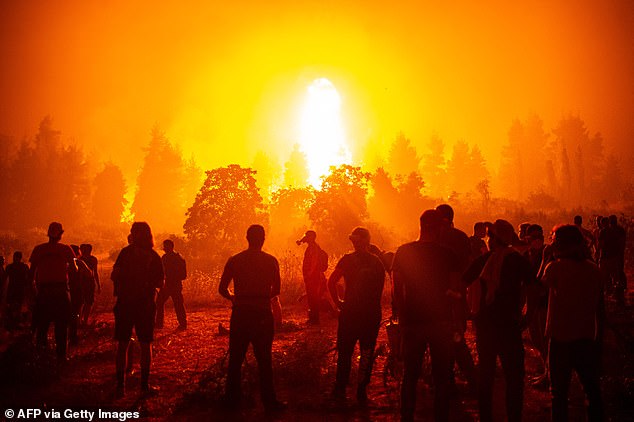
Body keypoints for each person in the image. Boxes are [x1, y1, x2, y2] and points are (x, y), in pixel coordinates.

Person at [392, 209, 461, 422]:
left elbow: (397, 291)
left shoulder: (403, 252)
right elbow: (456, 290)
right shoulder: (448, 254)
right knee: (442, 378)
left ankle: (407, 417)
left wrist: (401, 319)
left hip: (413, 321)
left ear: (421, 225)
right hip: (441, 321)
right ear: (437, 227)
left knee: (410, 375)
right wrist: (457, 321)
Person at [463, 219, 533, 422]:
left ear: (495, 239)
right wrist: (528, 315)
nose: (488, 239)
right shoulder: (517, 260)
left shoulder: (484, 261)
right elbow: (533, 288)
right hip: (509, 325)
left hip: (486, 326)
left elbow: (462, 282)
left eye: (490, 236)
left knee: (486, 375)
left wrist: (469, 311)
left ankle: (486, 416)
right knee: (514, 376)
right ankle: (513, 416)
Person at [219, 225, 285, 412]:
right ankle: (269, 402)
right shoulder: (271, 261)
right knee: (264, 360)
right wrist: (261, 296)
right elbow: (276, 290)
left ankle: (231, 402)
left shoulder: (235, 260)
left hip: (241, 313)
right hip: (263, 314)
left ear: (246, 238)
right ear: (263, 239)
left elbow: (222, 288)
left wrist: (234, 297)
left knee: (235, 360)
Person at [542, 225, 604, 422]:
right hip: (586, 337)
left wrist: (544, 260)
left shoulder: (555, 268)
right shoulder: (593, 269)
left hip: (560, 338)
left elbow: (536, 289)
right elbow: (600, 309)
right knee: (591, 391)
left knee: (558, 394)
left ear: (560, 244)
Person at [328, 227, 385, 405]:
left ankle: (341, 389)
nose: (355, 242)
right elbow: (379, 291)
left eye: (356, 240)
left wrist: (339, 303)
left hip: (351, 313)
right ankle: (361, 390)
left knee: (346, 351)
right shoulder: (377, 262)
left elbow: (331, 281)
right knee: (365, 352)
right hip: (369, 313)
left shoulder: (347, 260)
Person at [111, 222, 164, 396]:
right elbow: (160, 283)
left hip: (125, 303)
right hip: (145, 305)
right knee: (145, 343)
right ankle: (144, 385)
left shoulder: (125, 253)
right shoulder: (153, 256)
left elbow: (115, 275)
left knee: (123, 344)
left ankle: (120, 386)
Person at [436, 204, 477, 393]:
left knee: (442, 337)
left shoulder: (435, 237)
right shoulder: (461, 237)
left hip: (438, 295)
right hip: (458, 294)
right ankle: (470, 379)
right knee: (456, 335)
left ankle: (450, 378)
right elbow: (469, 265)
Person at [29, 222, 77, 363]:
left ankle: (42, 355)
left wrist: (33, 293)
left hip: (46, 291)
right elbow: (75, 270)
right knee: (60, 325)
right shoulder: (65, 249)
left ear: (48, 233)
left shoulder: (39, 249)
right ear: (61, 234)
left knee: (43, 325)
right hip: (59, 291)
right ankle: (61, 356)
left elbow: (31, 274)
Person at [523, 224, 549, 387]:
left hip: (545, 302)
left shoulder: (549, 254)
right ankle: (546, 371)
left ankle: (548, 374)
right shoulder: (526, 255)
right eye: (534, 237)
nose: (538, 240)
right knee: (536, 338)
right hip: (531, 301)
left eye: (540, 236)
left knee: (545, 339)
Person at [297, 230, 328, 325]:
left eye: (307, 236)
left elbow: (314, 262)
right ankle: (313, 318)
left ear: (312, 237)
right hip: (313, 276)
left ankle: (314, 320)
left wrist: (309, 275)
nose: (305, 237)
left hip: (314, 277)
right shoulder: (312, 247)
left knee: (313, 297)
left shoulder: (313, 248)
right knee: (312, 297)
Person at [155, 239, 187, 330]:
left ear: (170, 247)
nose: (164, 248)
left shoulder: (171, 258)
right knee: (176, 304)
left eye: (165, 246)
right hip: (171, 285)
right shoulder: (176, 257)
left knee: (176, 304)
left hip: (172, 284)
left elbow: (183, 275)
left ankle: (160, 324)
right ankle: (182, 324)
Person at [68, 245, 94, 345]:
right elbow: (89, 274)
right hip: (77, 290)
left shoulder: (63, 262)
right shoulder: (79, 262)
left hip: (66, 290)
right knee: (75, 312)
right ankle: (73, 337)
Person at [4, 252, 30, 330]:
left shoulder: (22, 267)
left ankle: (16, 322)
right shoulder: (11, 267)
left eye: (17, 257)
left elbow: (28, 278)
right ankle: (14, 323)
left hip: (18, 289)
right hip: (14, 289)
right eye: (15, 257)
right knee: (13, 306)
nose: (16, 258)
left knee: (18, 306)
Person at [79, 244, 100, 326]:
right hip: (82, 282)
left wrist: (98, 284)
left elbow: (95, 272)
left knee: (88, 302)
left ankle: (84, 320)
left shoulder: (92, 259)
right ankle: (81, 320)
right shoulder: (79, 260)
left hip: (89, 283)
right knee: (82, 302)